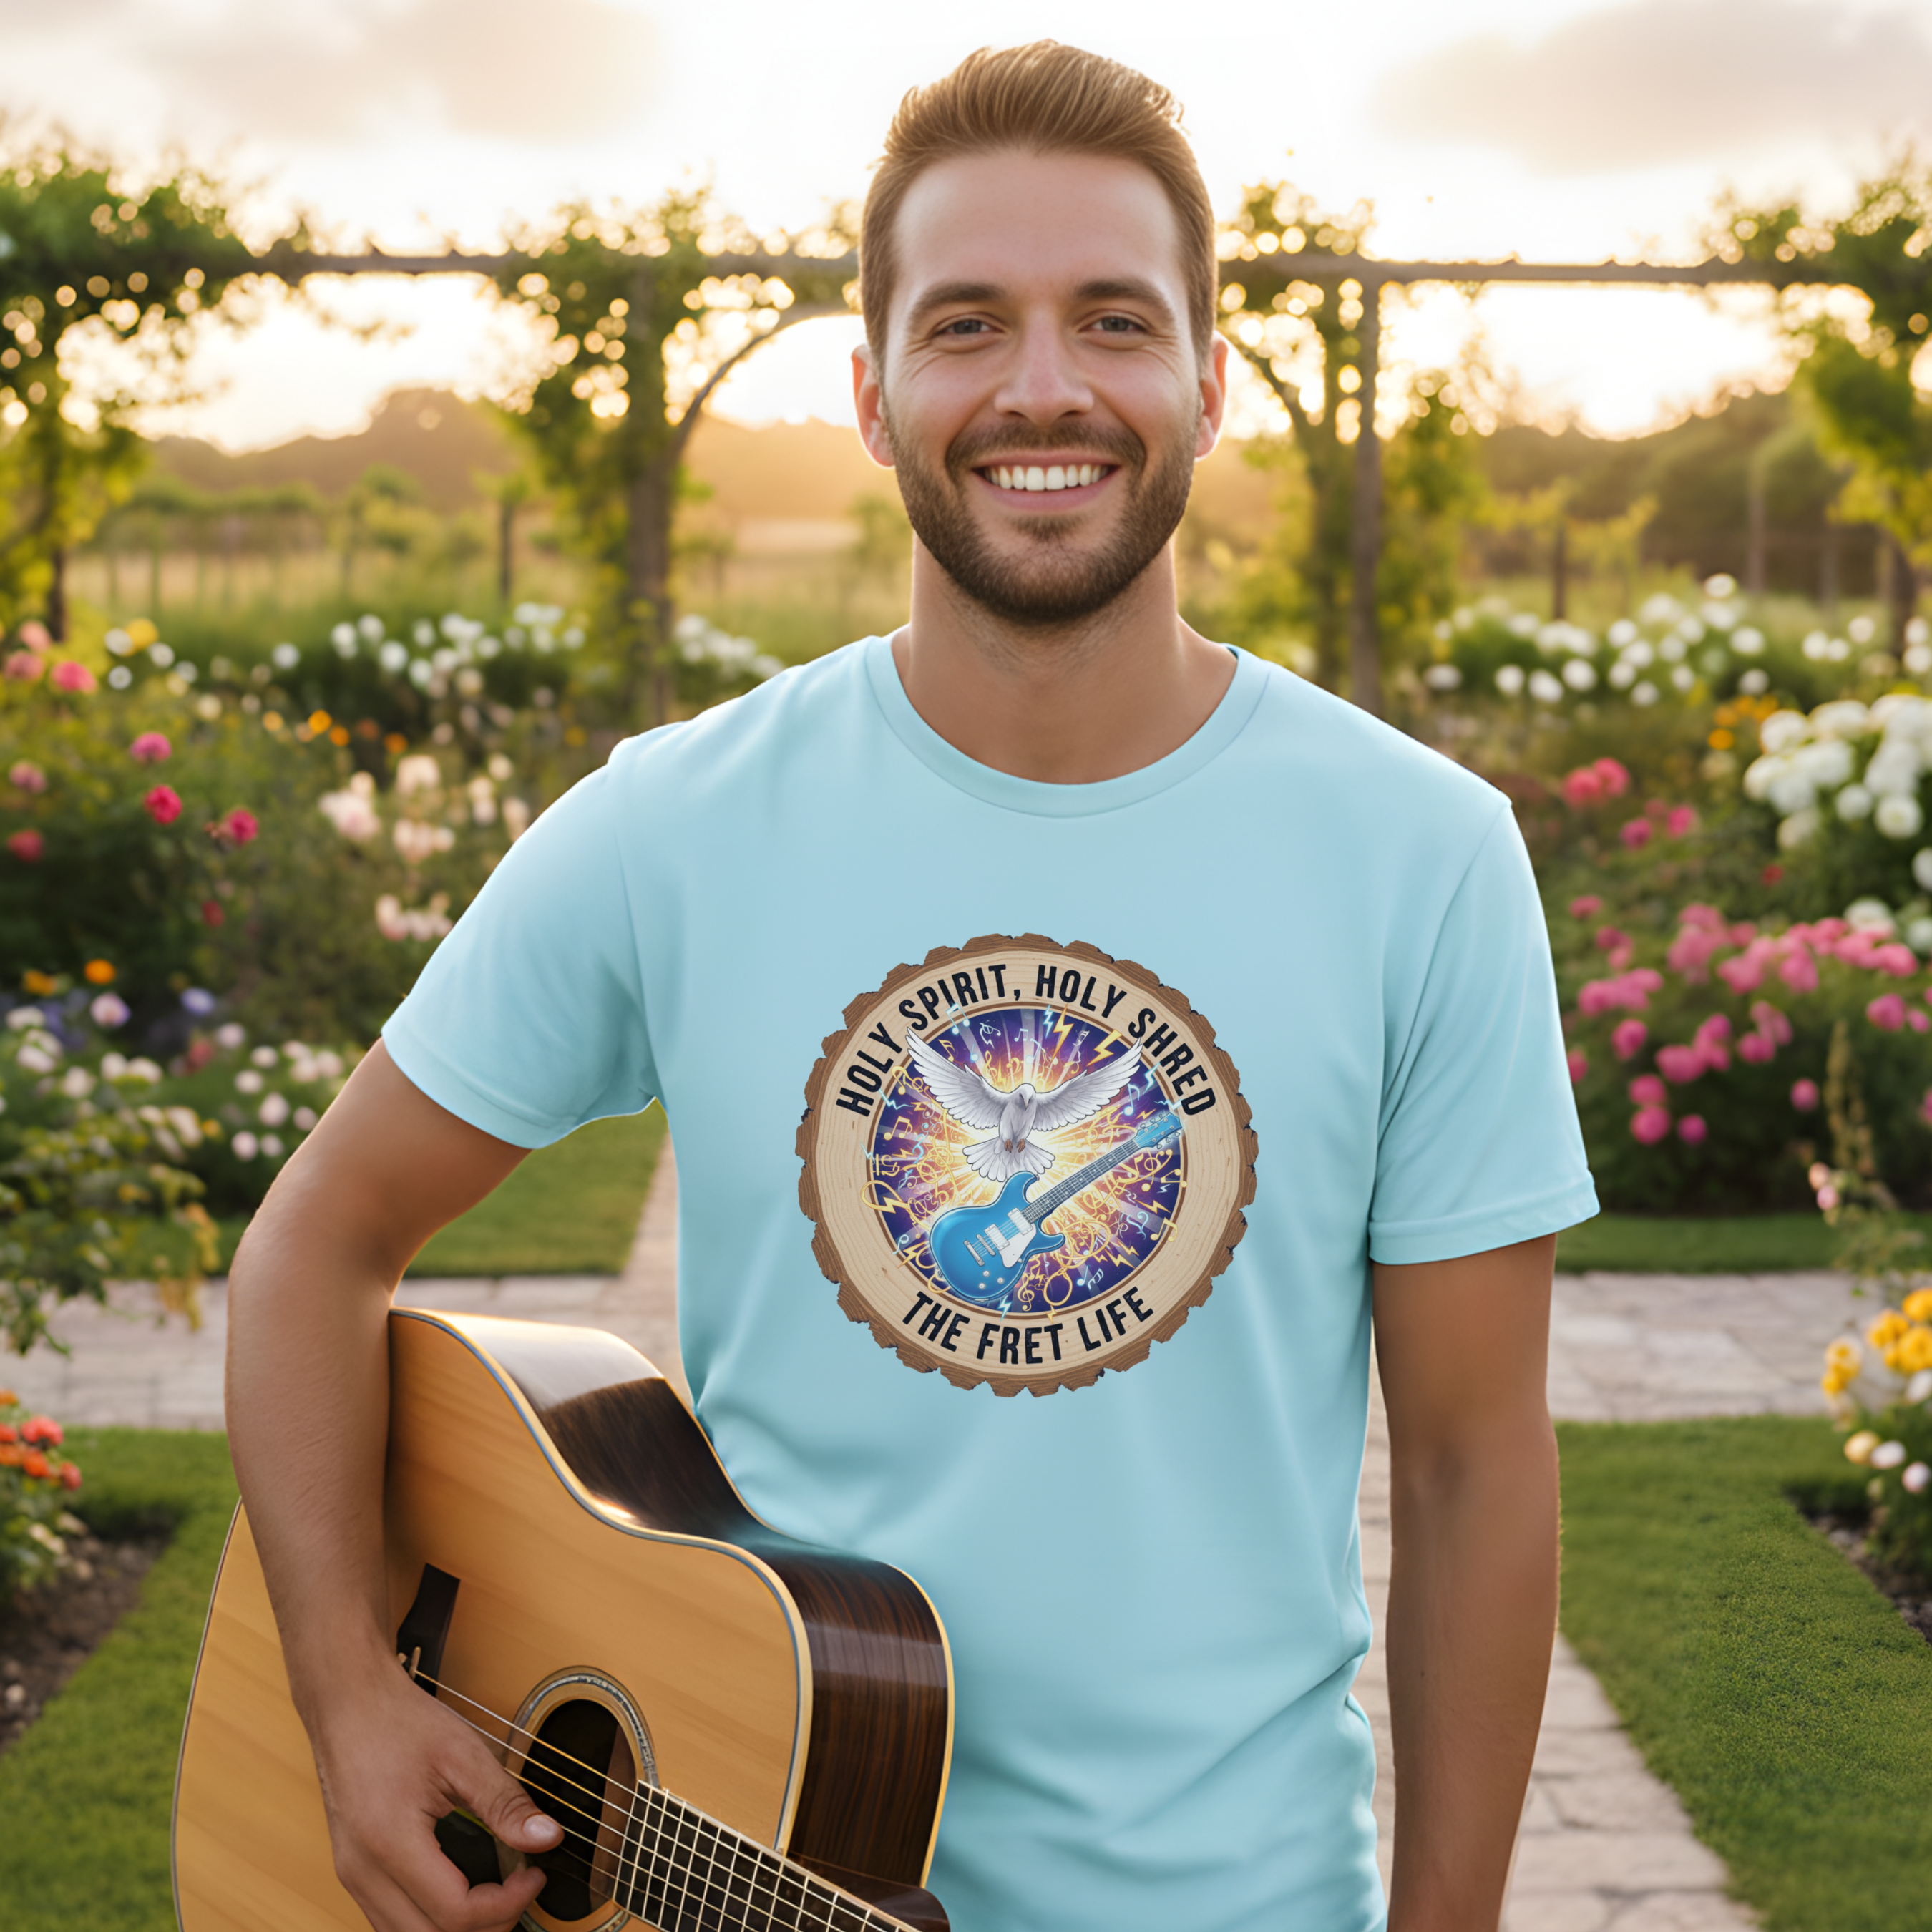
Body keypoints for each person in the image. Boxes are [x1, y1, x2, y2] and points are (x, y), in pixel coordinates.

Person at [228, 40, 1596, 1932]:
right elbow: (316, 1239)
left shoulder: (1417, 855)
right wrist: (344, 1692)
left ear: (1208, 376)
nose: (1043, 386)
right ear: (873, 396)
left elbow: (1467, 1462)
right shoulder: (675, 823)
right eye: (968, 326)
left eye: (1112, 320)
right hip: (734, 1869)